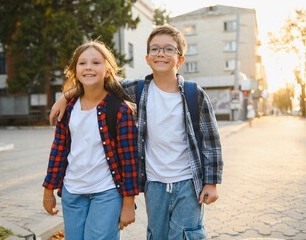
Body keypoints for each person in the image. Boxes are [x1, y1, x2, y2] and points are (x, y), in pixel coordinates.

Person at [49, 25, 223, 240]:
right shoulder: (138, 90)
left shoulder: (193, 94)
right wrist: (65, 97)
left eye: (169, 49)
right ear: (147, 58)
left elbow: (211, 142)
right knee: (157, 234)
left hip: (188, 181)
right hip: (154, 183)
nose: (161, 53)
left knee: (187, 233)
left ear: (180, 59)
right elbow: (100, 80)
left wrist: (211, 182)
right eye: (155, 49)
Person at [42, 40, 139, 240]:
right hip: (72, 192)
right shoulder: (67, 109)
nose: (88, 67)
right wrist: (48, 191)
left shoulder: (120, 110)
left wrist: (129, 204)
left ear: (108, 70)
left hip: (107, 192)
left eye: (96, 62)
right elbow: (58, 152)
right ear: (74, 70)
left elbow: (130, 162)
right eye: (82, 63)